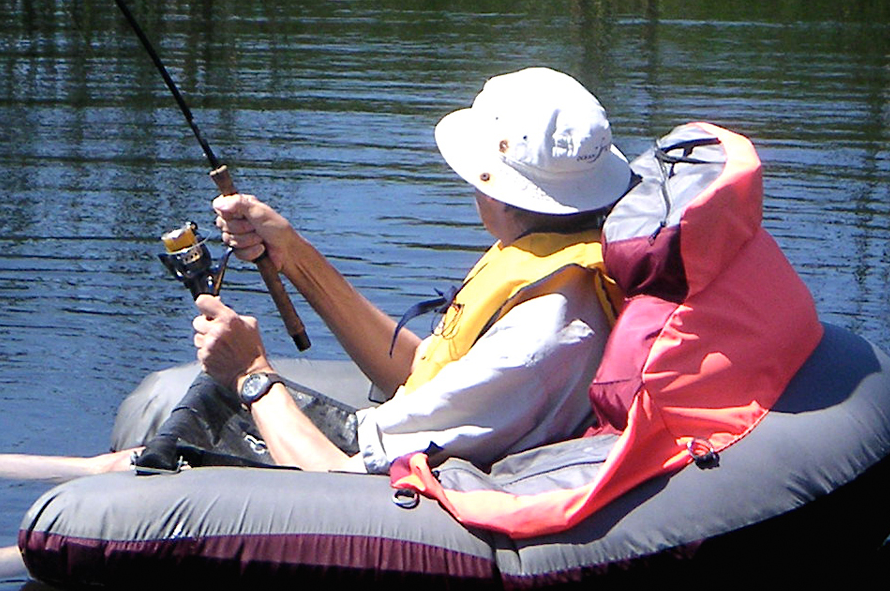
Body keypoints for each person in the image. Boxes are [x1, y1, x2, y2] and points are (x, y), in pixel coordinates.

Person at [116, 66, 635, 475]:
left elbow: (333, 481)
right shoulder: (549, 264)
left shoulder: (543, 334)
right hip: (390, 449)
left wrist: (252, 375)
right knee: (123, 459)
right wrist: (290, 252)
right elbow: (417, 374)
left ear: (494, 185)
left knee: (132, 465)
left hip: (356, 488)